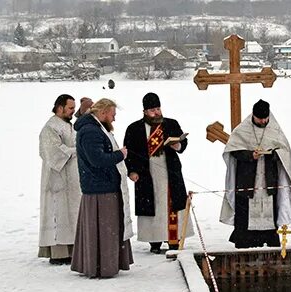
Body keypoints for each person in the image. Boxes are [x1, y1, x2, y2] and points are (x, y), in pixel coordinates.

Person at [220, 100, 291, 248]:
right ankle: (244, 242)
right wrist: (250, 155)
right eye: (260, 118)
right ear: (253, 115)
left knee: (270, 213)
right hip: (247, 180)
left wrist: (273, 154)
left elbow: (285, 151)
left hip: (269, 180)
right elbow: (233, 152)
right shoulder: (242, 130)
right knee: (245, 215)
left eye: (265, 118)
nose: (263, 121)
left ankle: (269, 239)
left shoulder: (275, 130)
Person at [71, 98, 134, 278]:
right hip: (99, 188)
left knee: (107, 229)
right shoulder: (91, 131)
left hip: (103, 186)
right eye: (113, 115)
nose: (114, 119)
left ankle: (102, 263)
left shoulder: (96, 128)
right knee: (106, 229)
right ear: (104, 112)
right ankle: (102, 265)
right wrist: (119, 155)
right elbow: (97, 160)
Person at [124, 92, 193, 253]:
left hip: (170, 174)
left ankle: (173, 239)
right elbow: (129, 153)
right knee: (152, 206)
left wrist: (178, 146)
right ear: (145, 112)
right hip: (146, 175)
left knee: (171, 206)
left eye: (158, 108)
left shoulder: (171, 124)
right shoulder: (134, 129)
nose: (157, 112)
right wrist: (132, 171)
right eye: (152, 110)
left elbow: (183, 143)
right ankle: (154, 240)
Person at [38, 94, 81, 265]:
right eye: (70, 108)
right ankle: (58, 252)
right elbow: (53, 153)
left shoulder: (67, 126)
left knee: (71, 214)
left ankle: (71, 249)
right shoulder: (50, 127)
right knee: (58, 214)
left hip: (71, 179)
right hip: (56, 180)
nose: (73, 111)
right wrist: (76, 150)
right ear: (60, 107)